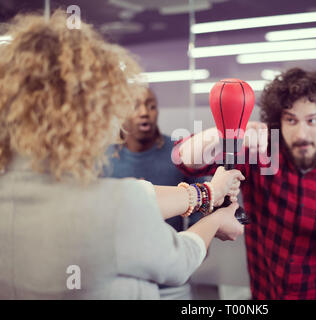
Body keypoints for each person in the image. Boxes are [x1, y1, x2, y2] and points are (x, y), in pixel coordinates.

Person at [0, 10, 244, 299]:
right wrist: (214, 221)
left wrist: (207, 192)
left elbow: (136, 198)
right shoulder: (113, 206)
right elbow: (179, 261)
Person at [174, 67, 316, 300]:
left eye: (312, 120)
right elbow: (184, 160)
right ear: (279, 121)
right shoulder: (261, 157)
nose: (301, 133)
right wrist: (228, 133)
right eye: (291, 120)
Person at [104, 87, 205, 299]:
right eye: (136, 106)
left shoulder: (180, 153)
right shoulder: (104, 159)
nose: (144, 112)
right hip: (119, 278)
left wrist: (189, 252)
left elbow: (203, 208)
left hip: (172, 279)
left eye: (151, 106)